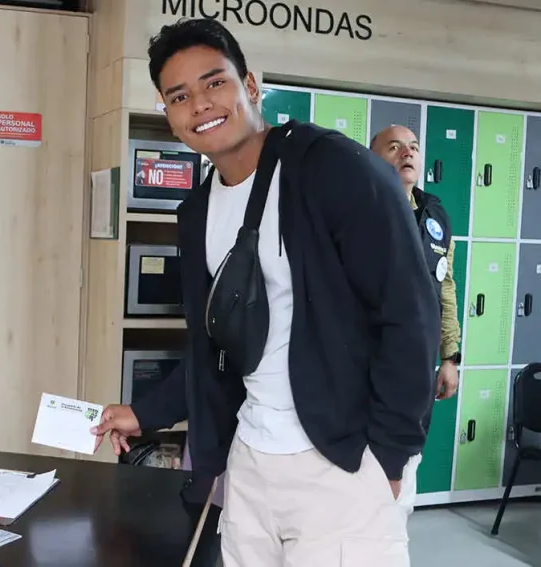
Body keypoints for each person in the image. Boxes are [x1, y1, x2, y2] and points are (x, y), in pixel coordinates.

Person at [92, 18, 439, 567]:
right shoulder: (199, 210)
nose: (200, 105)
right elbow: (218, 343)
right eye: (179, 96)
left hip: (343, 460)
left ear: (250, 86)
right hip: (252, 457)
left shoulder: (333, 169)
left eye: (214, 83)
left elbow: (409, 317)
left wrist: (390, 457)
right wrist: (145, 411)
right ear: (168, 112)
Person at [370, 124, 462, 515]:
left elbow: (446, 285)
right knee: (365, 466)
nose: (406, 153)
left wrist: (450, 357)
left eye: (413, 147)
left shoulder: (434, 214)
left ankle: (391, 531)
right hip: (366, 363)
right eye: (393, 147)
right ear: (372, 159)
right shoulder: (359, 207)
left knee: (406, 463)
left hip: (417, 365)